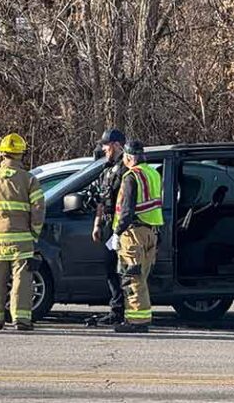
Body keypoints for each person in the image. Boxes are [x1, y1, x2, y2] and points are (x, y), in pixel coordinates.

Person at [0, 133, 45, 331]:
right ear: (21, 154)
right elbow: (38, 208)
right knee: (22, 279)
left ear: (1, 154)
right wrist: (34, 233)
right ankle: (21, 319)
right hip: (22, 239)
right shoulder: (29, 180)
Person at [111, 140, 164, 333]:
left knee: (131, 277)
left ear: (129, 157)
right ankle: (141, 317)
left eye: (124, 156)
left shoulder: (131, 177)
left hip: (133, 233)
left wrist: (117, 233)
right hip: (151, 232)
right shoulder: (153, 174)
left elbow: (127, 210)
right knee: (141, 277)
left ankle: (136, 321)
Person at [90, 128, 128, 325]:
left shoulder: (126, 168)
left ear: (115, 145)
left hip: (121, 226)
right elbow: (101, 200)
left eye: (106, 145)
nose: (104, 149)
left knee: (124, 270)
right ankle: (116, 310)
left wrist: (119, 229)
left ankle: (124, 311)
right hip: (107, 226)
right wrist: (97, 224)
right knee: (110, 269)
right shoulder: (106, 170)